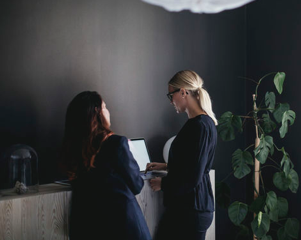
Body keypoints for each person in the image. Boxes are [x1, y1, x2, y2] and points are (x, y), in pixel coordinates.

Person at [62, 91, 151, 240]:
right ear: (97, 113)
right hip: (123, 227)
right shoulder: (116, 143)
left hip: (88, 227)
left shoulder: (72, 148)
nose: (108, 111)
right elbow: (137, 185)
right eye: (105, 107)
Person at [146, 70, 218, 240]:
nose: (171, 101)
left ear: (184, 92)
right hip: (190, 208)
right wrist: (167, 166)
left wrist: (164, 184)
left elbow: (193, 175)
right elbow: (192, 162)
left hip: (192, 209)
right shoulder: (200, 123)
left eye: (171, 95)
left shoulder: (200, 126)